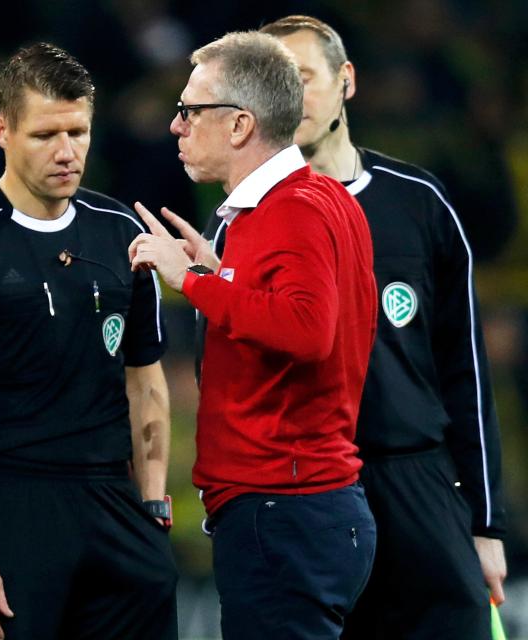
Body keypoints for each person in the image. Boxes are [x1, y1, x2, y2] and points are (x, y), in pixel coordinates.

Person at [0, 43, 177, 640]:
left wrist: (152, 504)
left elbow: (145, 376)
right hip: (5, 503)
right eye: (45, 134)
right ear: (2, 130)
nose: (65, 151)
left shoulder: (123, 235)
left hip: (113, 504)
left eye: (78, 132)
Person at [255, 16, 507, 639]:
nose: (290, 99)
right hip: (306, 493)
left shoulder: (420, 202)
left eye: (304, 78)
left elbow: (465, 371)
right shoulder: (245, 221)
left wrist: (486, 522)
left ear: (347, 81)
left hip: (419, 484)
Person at [128, 31, 377, 639]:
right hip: (303, 508)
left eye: (189, 110)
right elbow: (300, 311)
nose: (175, 126)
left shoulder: (291, 209)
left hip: (285, 507)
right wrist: (222, 271)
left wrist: (191, 280)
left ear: (239, 125)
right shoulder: (318, 198)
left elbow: (308, 330)